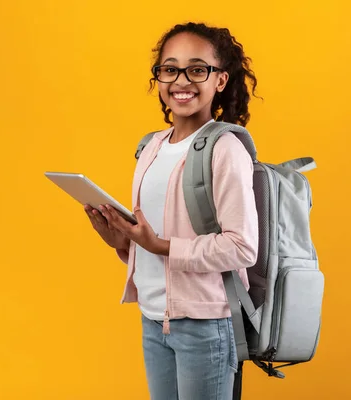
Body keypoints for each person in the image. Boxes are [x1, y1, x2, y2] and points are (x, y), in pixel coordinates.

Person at [84, 22, 260, 400]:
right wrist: (122, 242)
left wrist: (162, 245)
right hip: (154, 318)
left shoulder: (226, 148)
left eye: (198, 69)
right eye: (170, 69)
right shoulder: (150, 147)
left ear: (220, 80)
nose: (182, 80)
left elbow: (242, 248)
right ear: (159, 79)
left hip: (206, 323)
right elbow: (155, 238)